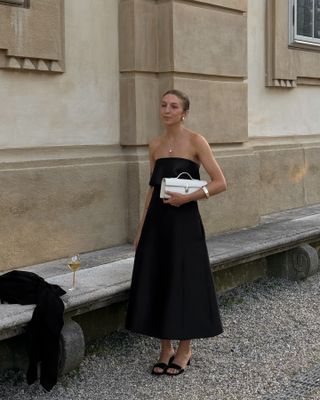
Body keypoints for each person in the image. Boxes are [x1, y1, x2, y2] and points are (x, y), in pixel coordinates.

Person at [125, 89, 227, 376]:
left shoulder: (196, 141)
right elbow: (152, 190)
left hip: (185, 223)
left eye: (173, 106)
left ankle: (185, 349)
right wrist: (141, 228)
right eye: (163, 105)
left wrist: (188, 197)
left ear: (184, 112)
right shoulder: (154, 145)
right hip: (157, 225)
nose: (167, 110)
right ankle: (165, 348)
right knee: (160, 279)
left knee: (184, 281)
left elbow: (220, 182)